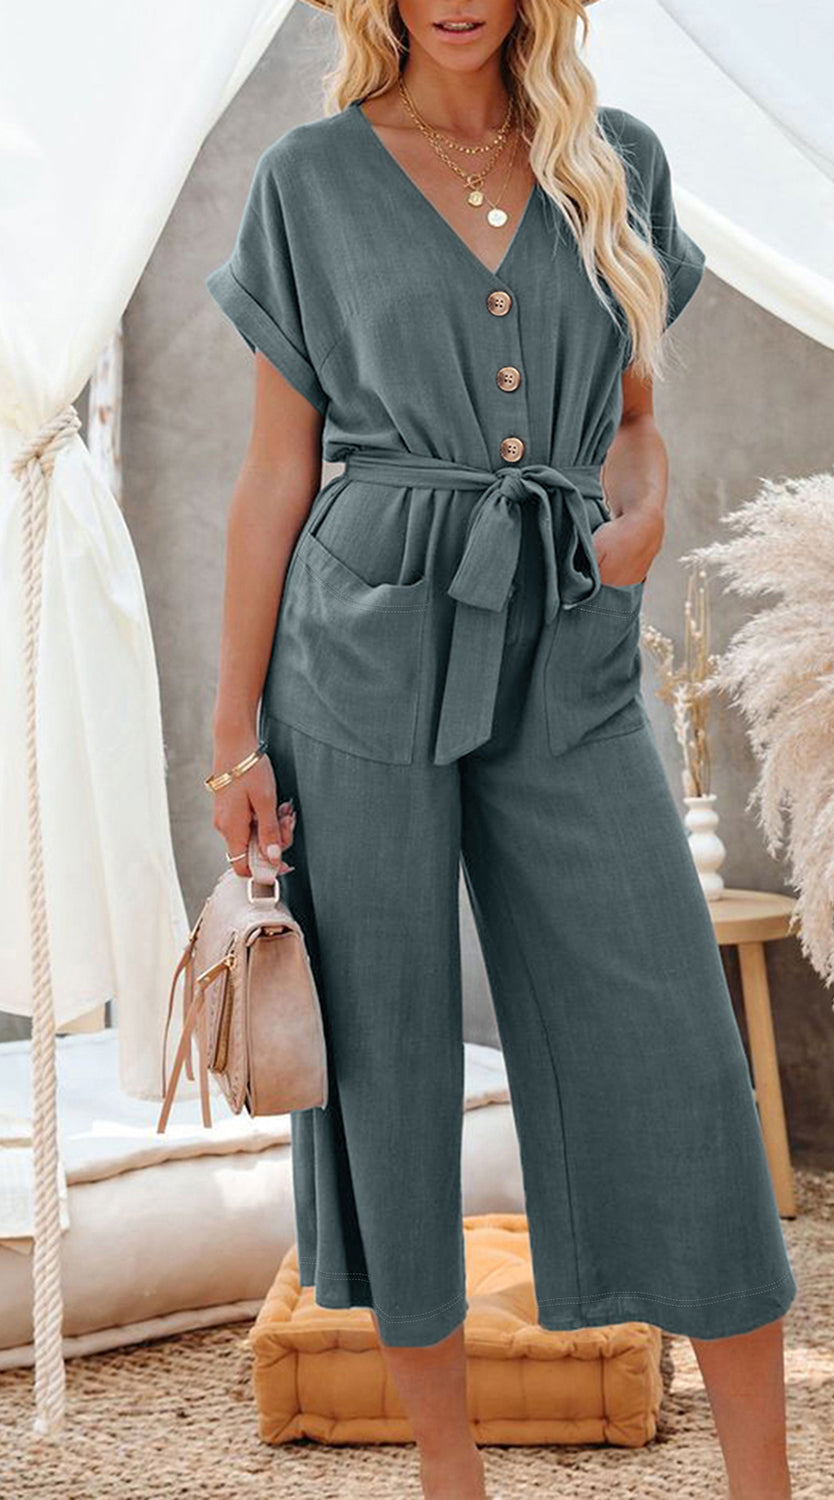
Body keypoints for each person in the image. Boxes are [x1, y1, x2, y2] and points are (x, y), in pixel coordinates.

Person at [203, 2, 797, 1496]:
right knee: (385, 1048)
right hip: (357, 653)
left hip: (566, 638)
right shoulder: (308, 178)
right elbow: (276, 474)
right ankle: (449, 1475)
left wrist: (639, 520)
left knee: (672, 1044)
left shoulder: (617, 163)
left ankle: (767, 1483)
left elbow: (636, 422)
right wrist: (230, 734)